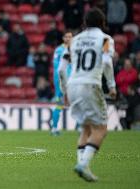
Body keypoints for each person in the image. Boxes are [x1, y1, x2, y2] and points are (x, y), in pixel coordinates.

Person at [58, 8, 117, 182]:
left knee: (85, 128)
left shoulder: (74, 40)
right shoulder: (105, 39)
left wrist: (64, 90)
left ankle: (83, 166)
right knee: (101, 129)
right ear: (103, 23)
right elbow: (106, 62)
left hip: (73, 85)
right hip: (90, 84)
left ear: (85, 23)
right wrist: (112, 86)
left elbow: (61, 69)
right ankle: (83, 164)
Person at [51, 31, 73, 135]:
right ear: (63, 38)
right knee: (59, 104)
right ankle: (54, 128)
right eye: (66, 37)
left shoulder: (75, 50)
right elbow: (56, 66)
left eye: (70, 37)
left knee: (78, 103)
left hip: (74, 81)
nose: (68, 38)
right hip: (61, 81)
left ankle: (80, 128)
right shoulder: (59, 50)